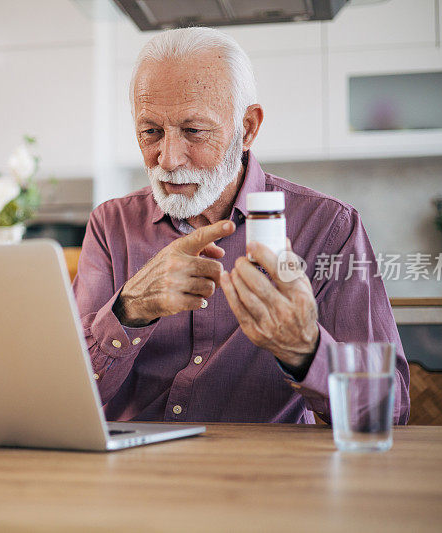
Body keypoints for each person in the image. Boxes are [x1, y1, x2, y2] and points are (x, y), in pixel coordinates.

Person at [72, 27, 410, 424]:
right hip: (131, 474)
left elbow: (388, 410)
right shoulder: (111, 225)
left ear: (247, 128)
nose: (168, 158)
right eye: (151, 132)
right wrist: (129, 310)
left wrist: (305, 350)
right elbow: (65, 395)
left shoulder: (329, 227)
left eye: (194, 131)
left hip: (264, 475)